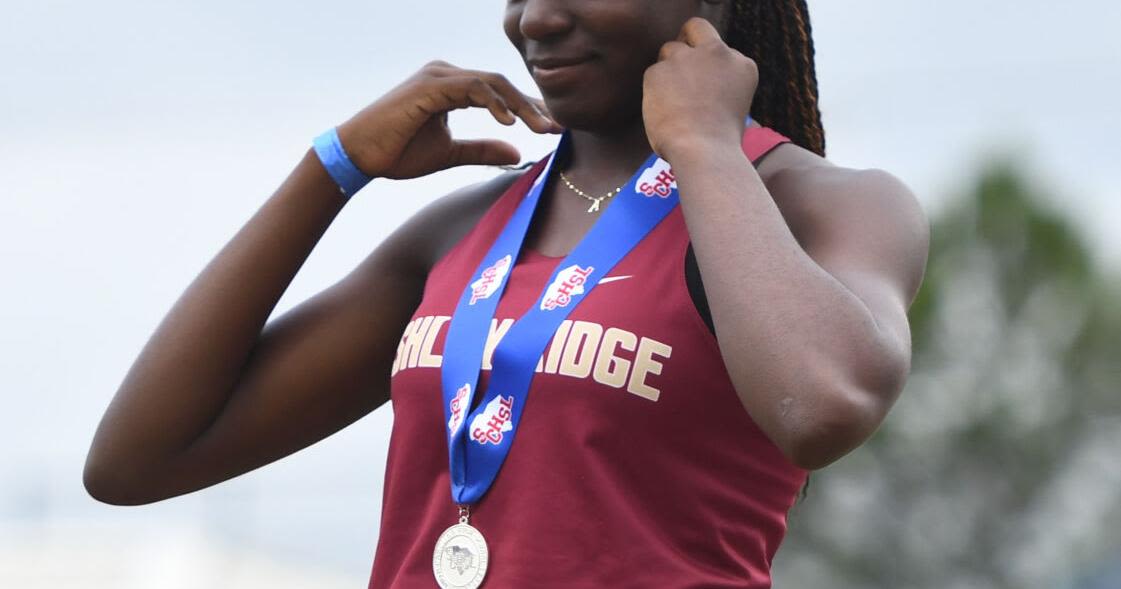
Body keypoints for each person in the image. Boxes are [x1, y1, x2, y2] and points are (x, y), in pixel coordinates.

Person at [84, 1, 929, 587]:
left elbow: (820, 405)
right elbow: (137, 459)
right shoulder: (460, 229)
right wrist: (332, 167)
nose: (537, 18)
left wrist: (703, 145)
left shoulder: (817, 204)